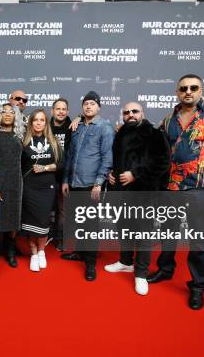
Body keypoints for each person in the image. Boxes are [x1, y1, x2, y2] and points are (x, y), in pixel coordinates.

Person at [147, 74, 204, 310]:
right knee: (168, 234)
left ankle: (198, 287)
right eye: (183, 88)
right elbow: (153, 145)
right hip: (171, 188)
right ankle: (165, 270)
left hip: (199, 189)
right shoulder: (169, 119)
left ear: (201, 90)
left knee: (198, 241)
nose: (188, 91)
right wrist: (126, 129)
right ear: (177, 92)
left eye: (193, 88)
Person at [103, 102, 170, 296]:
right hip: (120, 193)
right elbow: (117, 162)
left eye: (135, 111)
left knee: (143, 234)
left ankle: (141, 273)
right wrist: (112, 175)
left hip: (144, 194)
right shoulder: (120, 134)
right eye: (126, 112)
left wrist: (135, 174)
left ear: (143, 113)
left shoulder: (156, 134)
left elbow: (163, 163)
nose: (130, 115)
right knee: (123, 229)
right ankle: (125, 262)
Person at [61, 91, 114, 281]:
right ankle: (80, 253)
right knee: (79, 222)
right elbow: (69, 155)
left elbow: (107, 158)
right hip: (74, 182)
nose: (88, 106)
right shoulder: (76, 126)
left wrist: (99, 183)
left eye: (92, 103)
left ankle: (90, 264)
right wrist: (66, 180)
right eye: (86, 104)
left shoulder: (105, 128)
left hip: (91, 184)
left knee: (91, 225)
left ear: (98, 106)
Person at [21, 109, 62, 272]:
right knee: (30, 221)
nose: (38, 123)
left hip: (47, 187)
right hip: (29, 187)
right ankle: (33, 253)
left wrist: (45, 167)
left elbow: (62, 164)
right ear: (31, 123)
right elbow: (17, 165)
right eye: (35, 120)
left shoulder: (53, 142)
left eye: (42, 120)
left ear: (46, 123)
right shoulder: (24, 142)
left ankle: (42, 251)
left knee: (43, 220)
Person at [0, 103, 25, 279]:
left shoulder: (20, 134)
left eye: (12, 112)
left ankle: (10, 251)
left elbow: (42, 125)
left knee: (14, 217)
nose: (8, 114)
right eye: (4, 112)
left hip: (16, 183)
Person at [49, 98, 72, 250]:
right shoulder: (45, 126)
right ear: (52, 111)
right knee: (45, 208)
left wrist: (80, 118)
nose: (61, 112)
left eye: (64, 109)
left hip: (64, 175)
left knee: (62, 210)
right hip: (47, 174)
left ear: (68, 112)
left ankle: (60, 240)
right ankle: (44, 236)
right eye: (58, 109)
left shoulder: (73, 127)